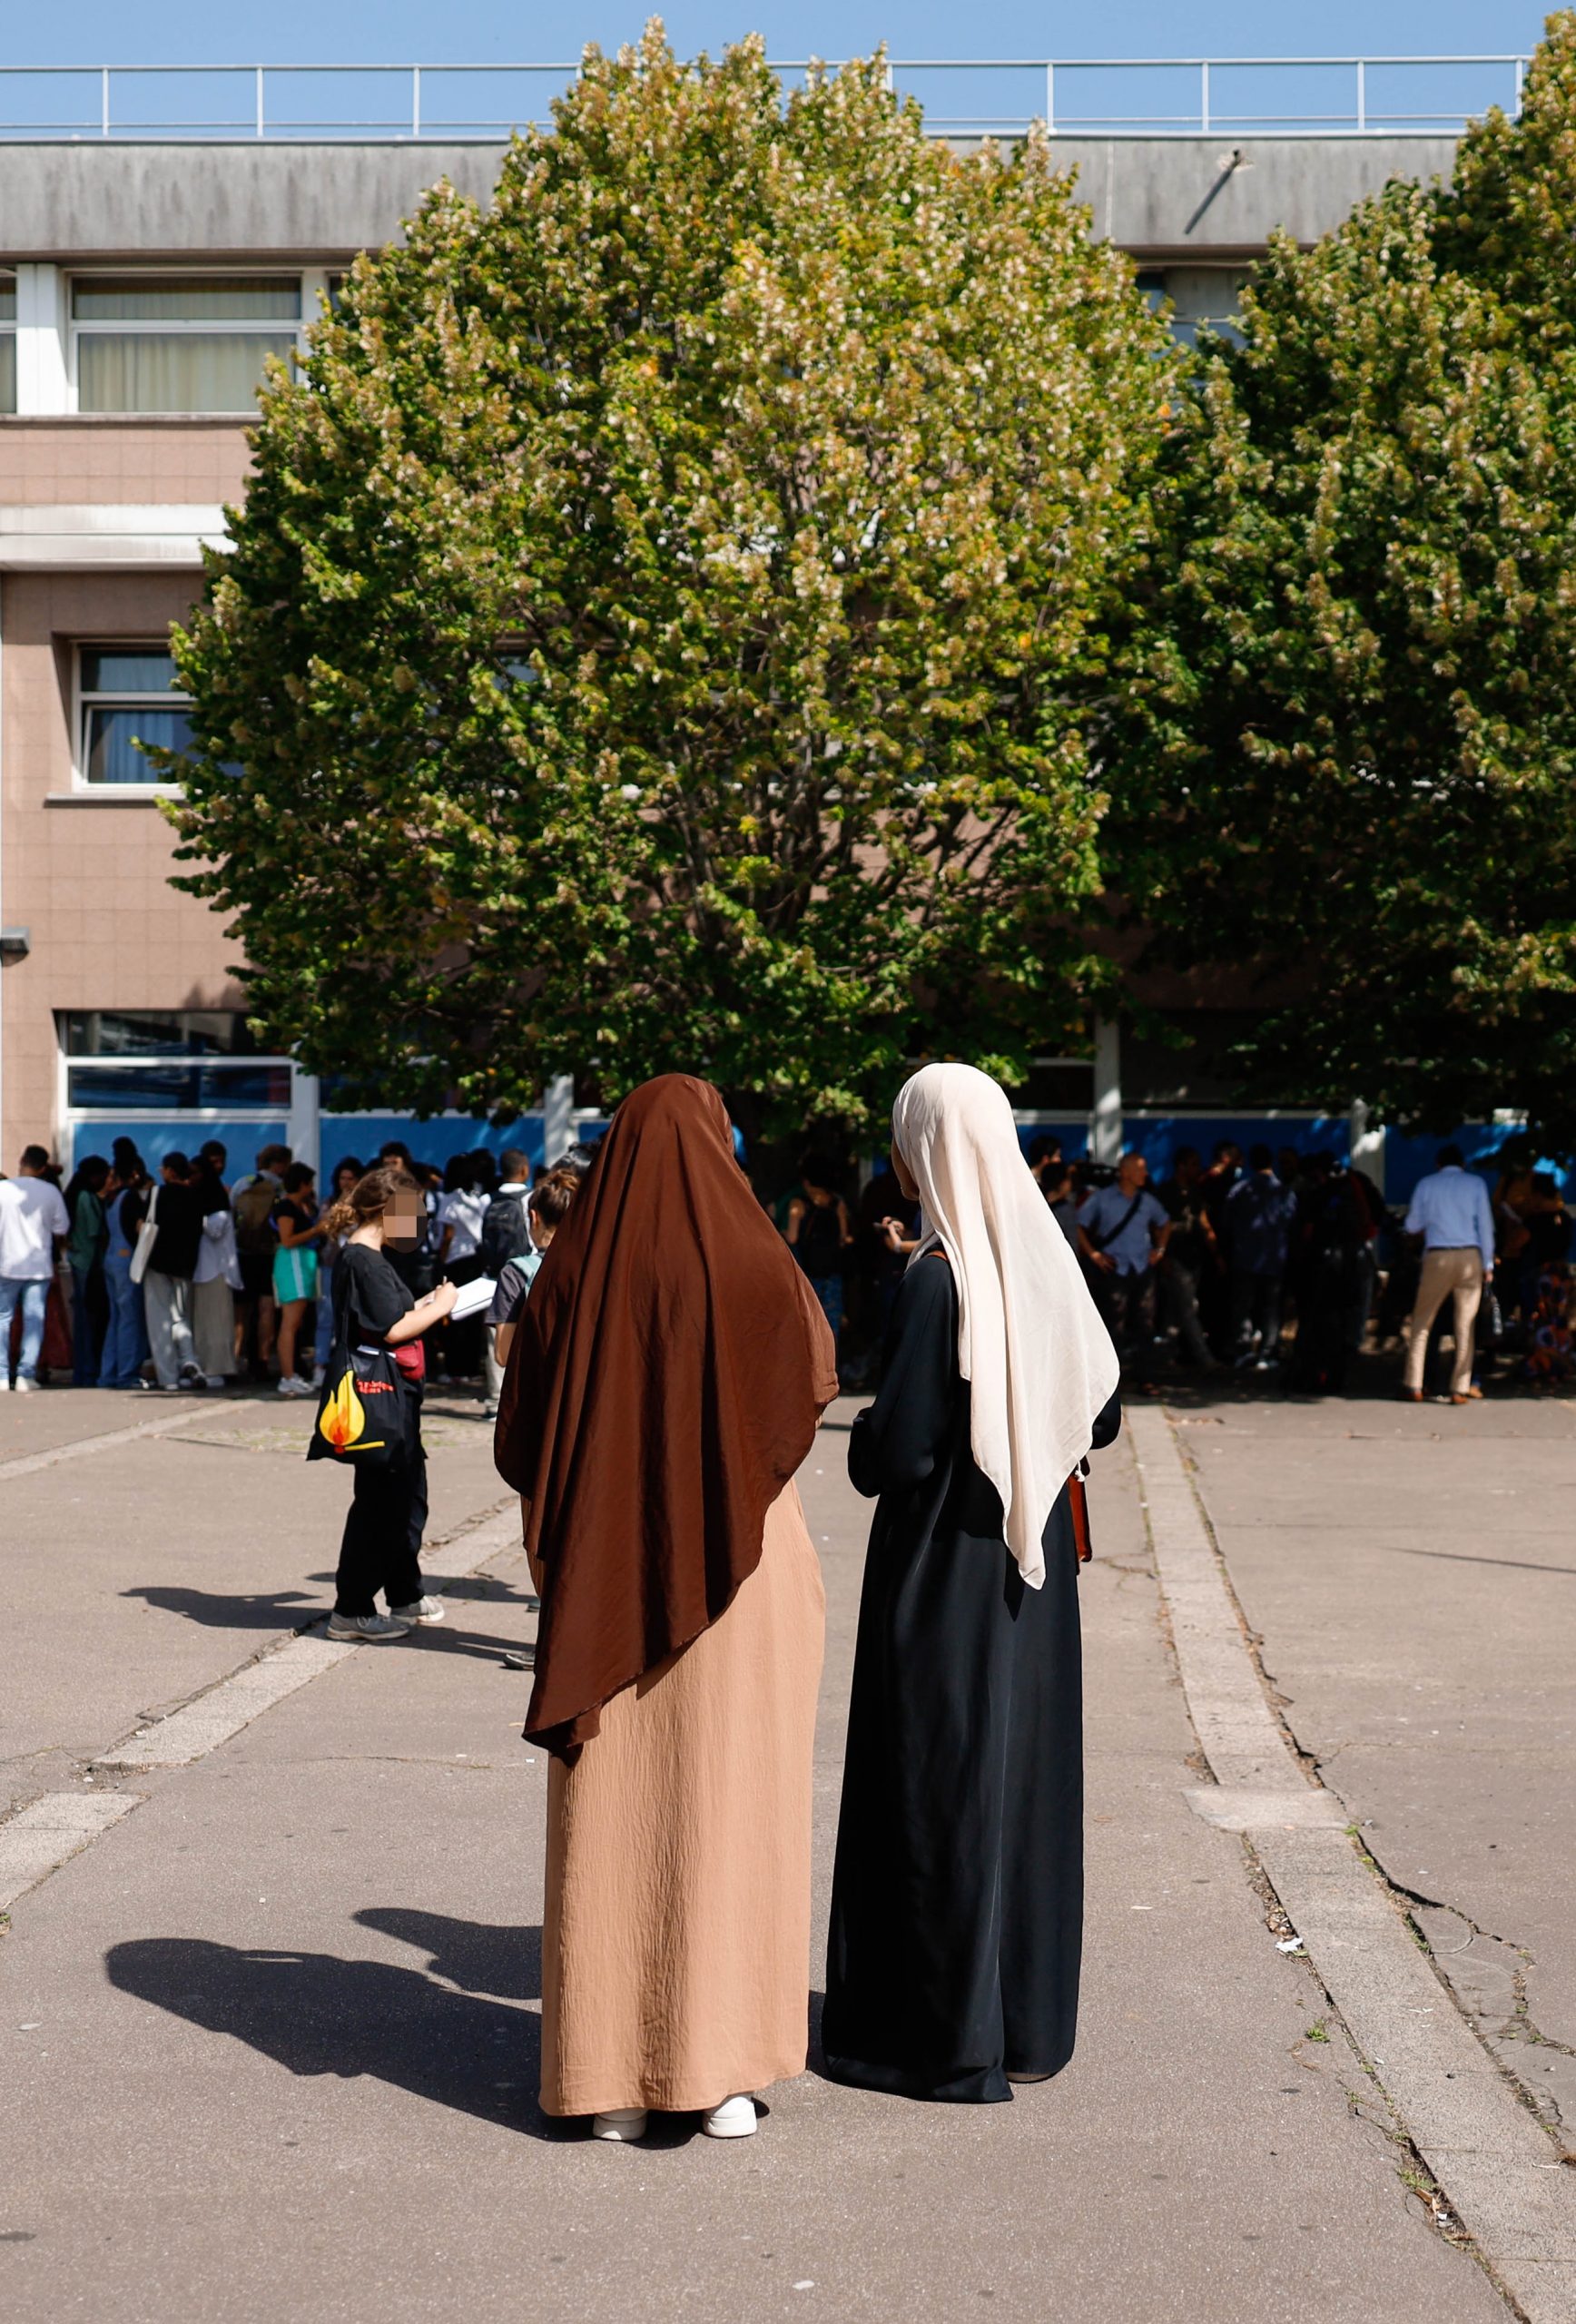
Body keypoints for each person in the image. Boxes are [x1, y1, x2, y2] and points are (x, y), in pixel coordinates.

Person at [495, 1075, 838, 2143]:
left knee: (616, 1812)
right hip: (737, 1567)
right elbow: (808, 1387)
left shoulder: (568, 1277)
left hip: (606, 1570)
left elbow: (521, 1440)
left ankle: (603, 2078)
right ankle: (720, 2074)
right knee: (730, 1807)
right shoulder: (754, 1261)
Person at [822, 1063, 1121, 2102]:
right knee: (1019, 1782)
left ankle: (938, 2034)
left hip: (941, 1572)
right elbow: (1102, 1405)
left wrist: (857, 1431)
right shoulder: (1040, 1262)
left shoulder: (938, 1278)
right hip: (1034, 1577)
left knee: (935, 1782)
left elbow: (894, 1455)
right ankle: (1024, 2020)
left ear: (926, 1148)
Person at [315, 1166, 457, 1640]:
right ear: (386, 1212)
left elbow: (387, 1317)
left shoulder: (368, 1258)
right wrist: (441, 1307)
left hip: (394, 1400)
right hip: (380, 1401)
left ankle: (404, 1593)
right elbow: (389, 1329)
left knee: (406, 1499)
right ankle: (351, 1608)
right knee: (382, 1506)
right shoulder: (363, 1260)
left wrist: (424, 1305)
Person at [1400, 1144, 1495, 1404]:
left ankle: (1414, 1384)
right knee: (1465, 1324)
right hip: (1470, 1256)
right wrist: (1488, 1264)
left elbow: (1412, 1224)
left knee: (1422, 1321)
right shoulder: (1475, 1184)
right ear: (1463, 1164)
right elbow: (1485, 1226)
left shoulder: (1426, 1185)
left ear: (1437, 1164)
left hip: (1438, 1254)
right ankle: (1460, 1388)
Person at [1077, 1151, 1169, 1387]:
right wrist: (1094, 1254)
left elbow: (1165, 1222)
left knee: (1145, 1325)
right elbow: (1080, 1225)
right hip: (1114, 1269)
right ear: (1125, 1172)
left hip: (1141, 1268)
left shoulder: (1147, 1201)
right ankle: (1110, 1381)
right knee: (1112, 1326)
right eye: (1140, 1169)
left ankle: (1145, 1377)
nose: (1145, 1174)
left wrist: (1159, 1250)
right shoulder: (1103, 1199)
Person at [123, 1152, 205, 1393]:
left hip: (157, 1261)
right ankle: (189, 1359)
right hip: (184, 1265)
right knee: (180, 1315)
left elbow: (144, 1226)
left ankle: (168, 1376)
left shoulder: (157, 1193)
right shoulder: (196, 1196)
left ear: (170, 1171)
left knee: (159, 1319)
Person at [488, 1167, 579, 1371]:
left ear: (534, 1217)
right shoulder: (596, 1266)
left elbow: (504, 1354)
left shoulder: (516, 1273)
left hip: (541, 1389)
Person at [0, 1146, 71, 1392]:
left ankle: (1, 1374)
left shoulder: (3, 1190)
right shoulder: (50, 1191)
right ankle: (25, 1374)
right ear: (43, 1168)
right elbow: (61, 1228)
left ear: (21, 1162)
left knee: (3, 1319)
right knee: (34, 1319)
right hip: (38, 1265)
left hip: (6, 1263)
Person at [1225, 1144, 1297, 1369]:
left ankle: (1244, 1349)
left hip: (1245, 1258)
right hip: (1273, 1259)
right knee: (1271, 1307)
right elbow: (1292, 1223)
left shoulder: (1240, 1190)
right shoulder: (1283, 1192)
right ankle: (1268, 1351)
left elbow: (1226, 1224)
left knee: (1243, 1306)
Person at [479, 1148, 535, 1418]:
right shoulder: (530, 1198)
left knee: (495, 1341)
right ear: (524, 1169)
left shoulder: (487, 1200)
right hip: (524, 1274)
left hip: (493, 1279)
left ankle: (495, 1401)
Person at [1156, 1146, 1219, 1371]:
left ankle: (1164, 1354)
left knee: (1176, 1309)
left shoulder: (1195, 1192)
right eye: (1192, 1163)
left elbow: (1203, 1222)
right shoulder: (1166, 1192)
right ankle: (1204, 1357)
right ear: (1180, 1166)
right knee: (1188, 1307)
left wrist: (1215, 1252)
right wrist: (1162, 1255)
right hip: (1175, 1256)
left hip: (1194, 1257)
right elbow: (1157, 1226)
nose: (1197, 1168)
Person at [783, 1151, 853, 1349]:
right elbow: (842, 1237)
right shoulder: (837, 1203)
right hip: (832, 1273)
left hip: (808, 1272)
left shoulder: (798, 1204)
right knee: (831, 1323)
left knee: (807, 1323)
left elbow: (793, 1237)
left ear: (805, 1180)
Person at [231, 1143, 291, 1379]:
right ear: (279, 1164)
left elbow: (233, 1212)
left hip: (243, 1253)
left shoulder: (243, 1183)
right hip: (268, 1255)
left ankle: (234, 1359)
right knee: (267, 1309)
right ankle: (263, 1360)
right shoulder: (280, 1187)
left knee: (240, 1312)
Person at [97, 1144, 152, 1390]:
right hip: (127, 1258)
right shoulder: (130, 1197)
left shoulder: (111, 1198)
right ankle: (127, 1373)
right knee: (130, 1318)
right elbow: (140, 1228)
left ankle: (108, 1373)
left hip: (110, 1258)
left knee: (115, 1318)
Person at [190, 1142, 240, 1390]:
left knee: (217, 1322)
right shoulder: (207, 1197)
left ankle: (218, 1368)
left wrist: (192, 1214)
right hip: (202, 1270)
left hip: (217, 1270)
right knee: (203, 1323)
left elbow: (215, 1230)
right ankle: (203, 1366)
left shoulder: (216, 1201)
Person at [272, 1162, 322, 1395]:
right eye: (309, 1183)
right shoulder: (285, 1206)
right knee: (289, 1323)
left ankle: (293, 1373)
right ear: (301, 1184)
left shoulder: (303, 1205)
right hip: (292, 1263)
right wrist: (316, 1230)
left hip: (304, 1263)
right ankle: (287, 1375)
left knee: (296, 1322)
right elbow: (287, 1239)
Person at [64, 1154, 112, 1385]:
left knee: (84, 1320)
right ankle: (88, 1370)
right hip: (90, 1264)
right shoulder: (86, 1198)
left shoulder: (75, 1195)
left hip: (79, 1261)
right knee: (89, 1320)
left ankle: (83, 1370)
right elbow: (96, 1233)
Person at [313, 1157, 362, 1386]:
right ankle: (320, 1364)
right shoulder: (330, 1202)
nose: (346, 1183)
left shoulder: (364, 1204)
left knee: (354, 1315)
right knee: (326, 1316)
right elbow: (325, 1228)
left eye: (350, 1178)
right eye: (342, 1178)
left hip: (356, 1265)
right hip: (332, 1264)